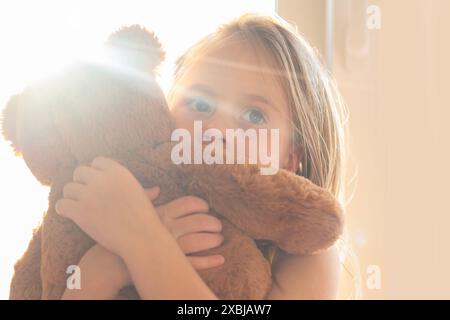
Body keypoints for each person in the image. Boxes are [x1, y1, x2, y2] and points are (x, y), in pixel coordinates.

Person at [57, 14, 348, 300]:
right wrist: (103, 265)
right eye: (199, 103)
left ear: (291, 158)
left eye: (254, 115)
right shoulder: (119, 204)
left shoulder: (308, 258)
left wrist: (139, 240)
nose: (215, 131)